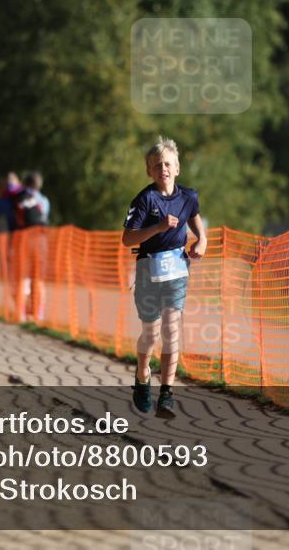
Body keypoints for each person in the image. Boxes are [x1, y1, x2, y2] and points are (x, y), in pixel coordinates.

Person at [122, 137, 206, 418]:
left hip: (177, 270)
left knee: (171, 330)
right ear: (149, 171)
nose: (163, 169)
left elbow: (193, 214)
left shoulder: (188, 196)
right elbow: (127, 238)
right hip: (148, 270)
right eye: (157, 165)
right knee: (151, 332)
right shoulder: (145, 199)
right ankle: (142, 375)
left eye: (168, 164)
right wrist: (157, 227)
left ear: (178, 168)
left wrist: (201, 239)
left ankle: (167, 393)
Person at [15, 172, 50, 322]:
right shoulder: (44, 200)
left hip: (24, 239)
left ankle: (21, 313)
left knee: (23, 276)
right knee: (39, 277)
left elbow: (16, 216)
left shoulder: (20, 197)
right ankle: (39, 313)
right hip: (41, 239)